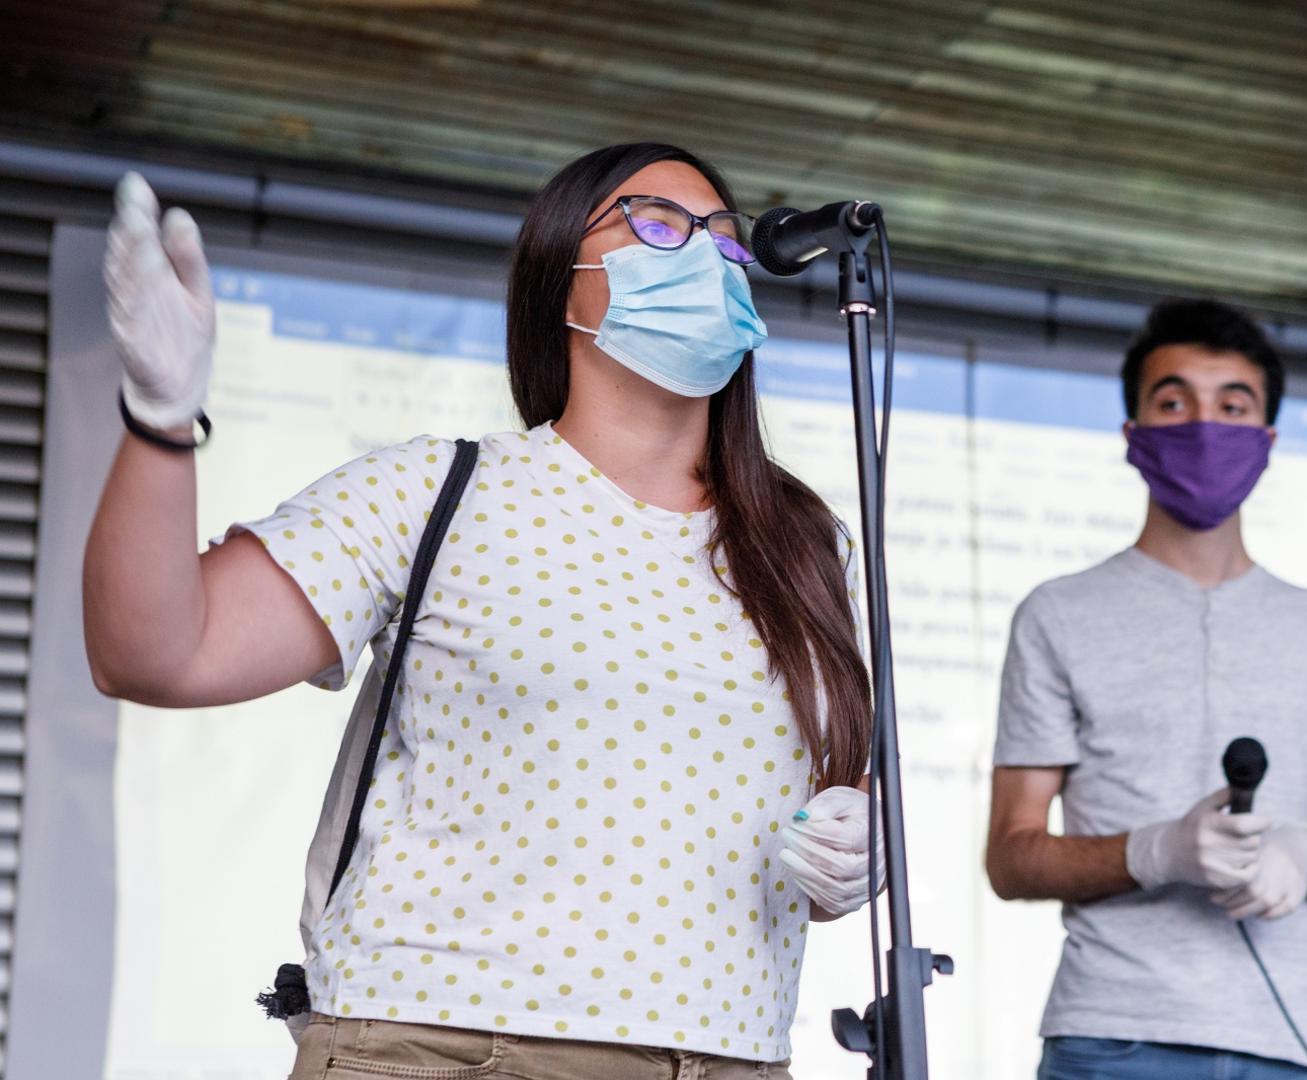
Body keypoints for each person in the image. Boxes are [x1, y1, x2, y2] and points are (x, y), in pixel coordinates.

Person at [84, 142, 884, 1080]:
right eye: (657, 225)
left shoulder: (807, 545)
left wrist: (852, 859)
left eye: (723, 238)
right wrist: (159, 417)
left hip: (728, 1058)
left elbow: (811, 822)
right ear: (563, 280)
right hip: (443, 1047)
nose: (702, 252)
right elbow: (157, 654)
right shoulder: (441, 489)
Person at [984, 299, 1307, 1080]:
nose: (1205, 424)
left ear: (1266, 440)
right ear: (1134, 433)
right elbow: (1011, 858)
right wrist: (1155, 850)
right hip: (1110, 1036)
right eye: (1174, 401)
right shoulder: (1058, 614)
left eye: (1232, 405)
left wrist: (1306, 854)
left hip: (1287, 1042)